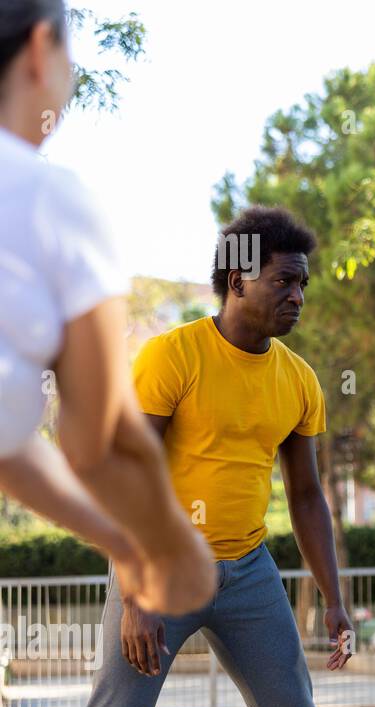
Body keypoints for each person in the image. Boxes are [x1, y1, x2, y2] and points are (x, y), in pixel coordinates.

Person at [62, 206, 353, 707]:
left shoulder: (299, 380)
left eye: (303, 284)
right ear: (239, 279)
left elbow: (307, 497)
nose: (298, 296)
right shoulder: (173, 356)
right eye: (284, 281)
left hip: (249, 571)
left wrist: (334, 599)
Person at [0, 0, 214, 614]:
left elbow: (10, 448)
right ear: (41, 50)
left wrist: (123, 543)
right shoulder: (50, 199)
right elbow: (100, 443)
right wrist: (173, 553)